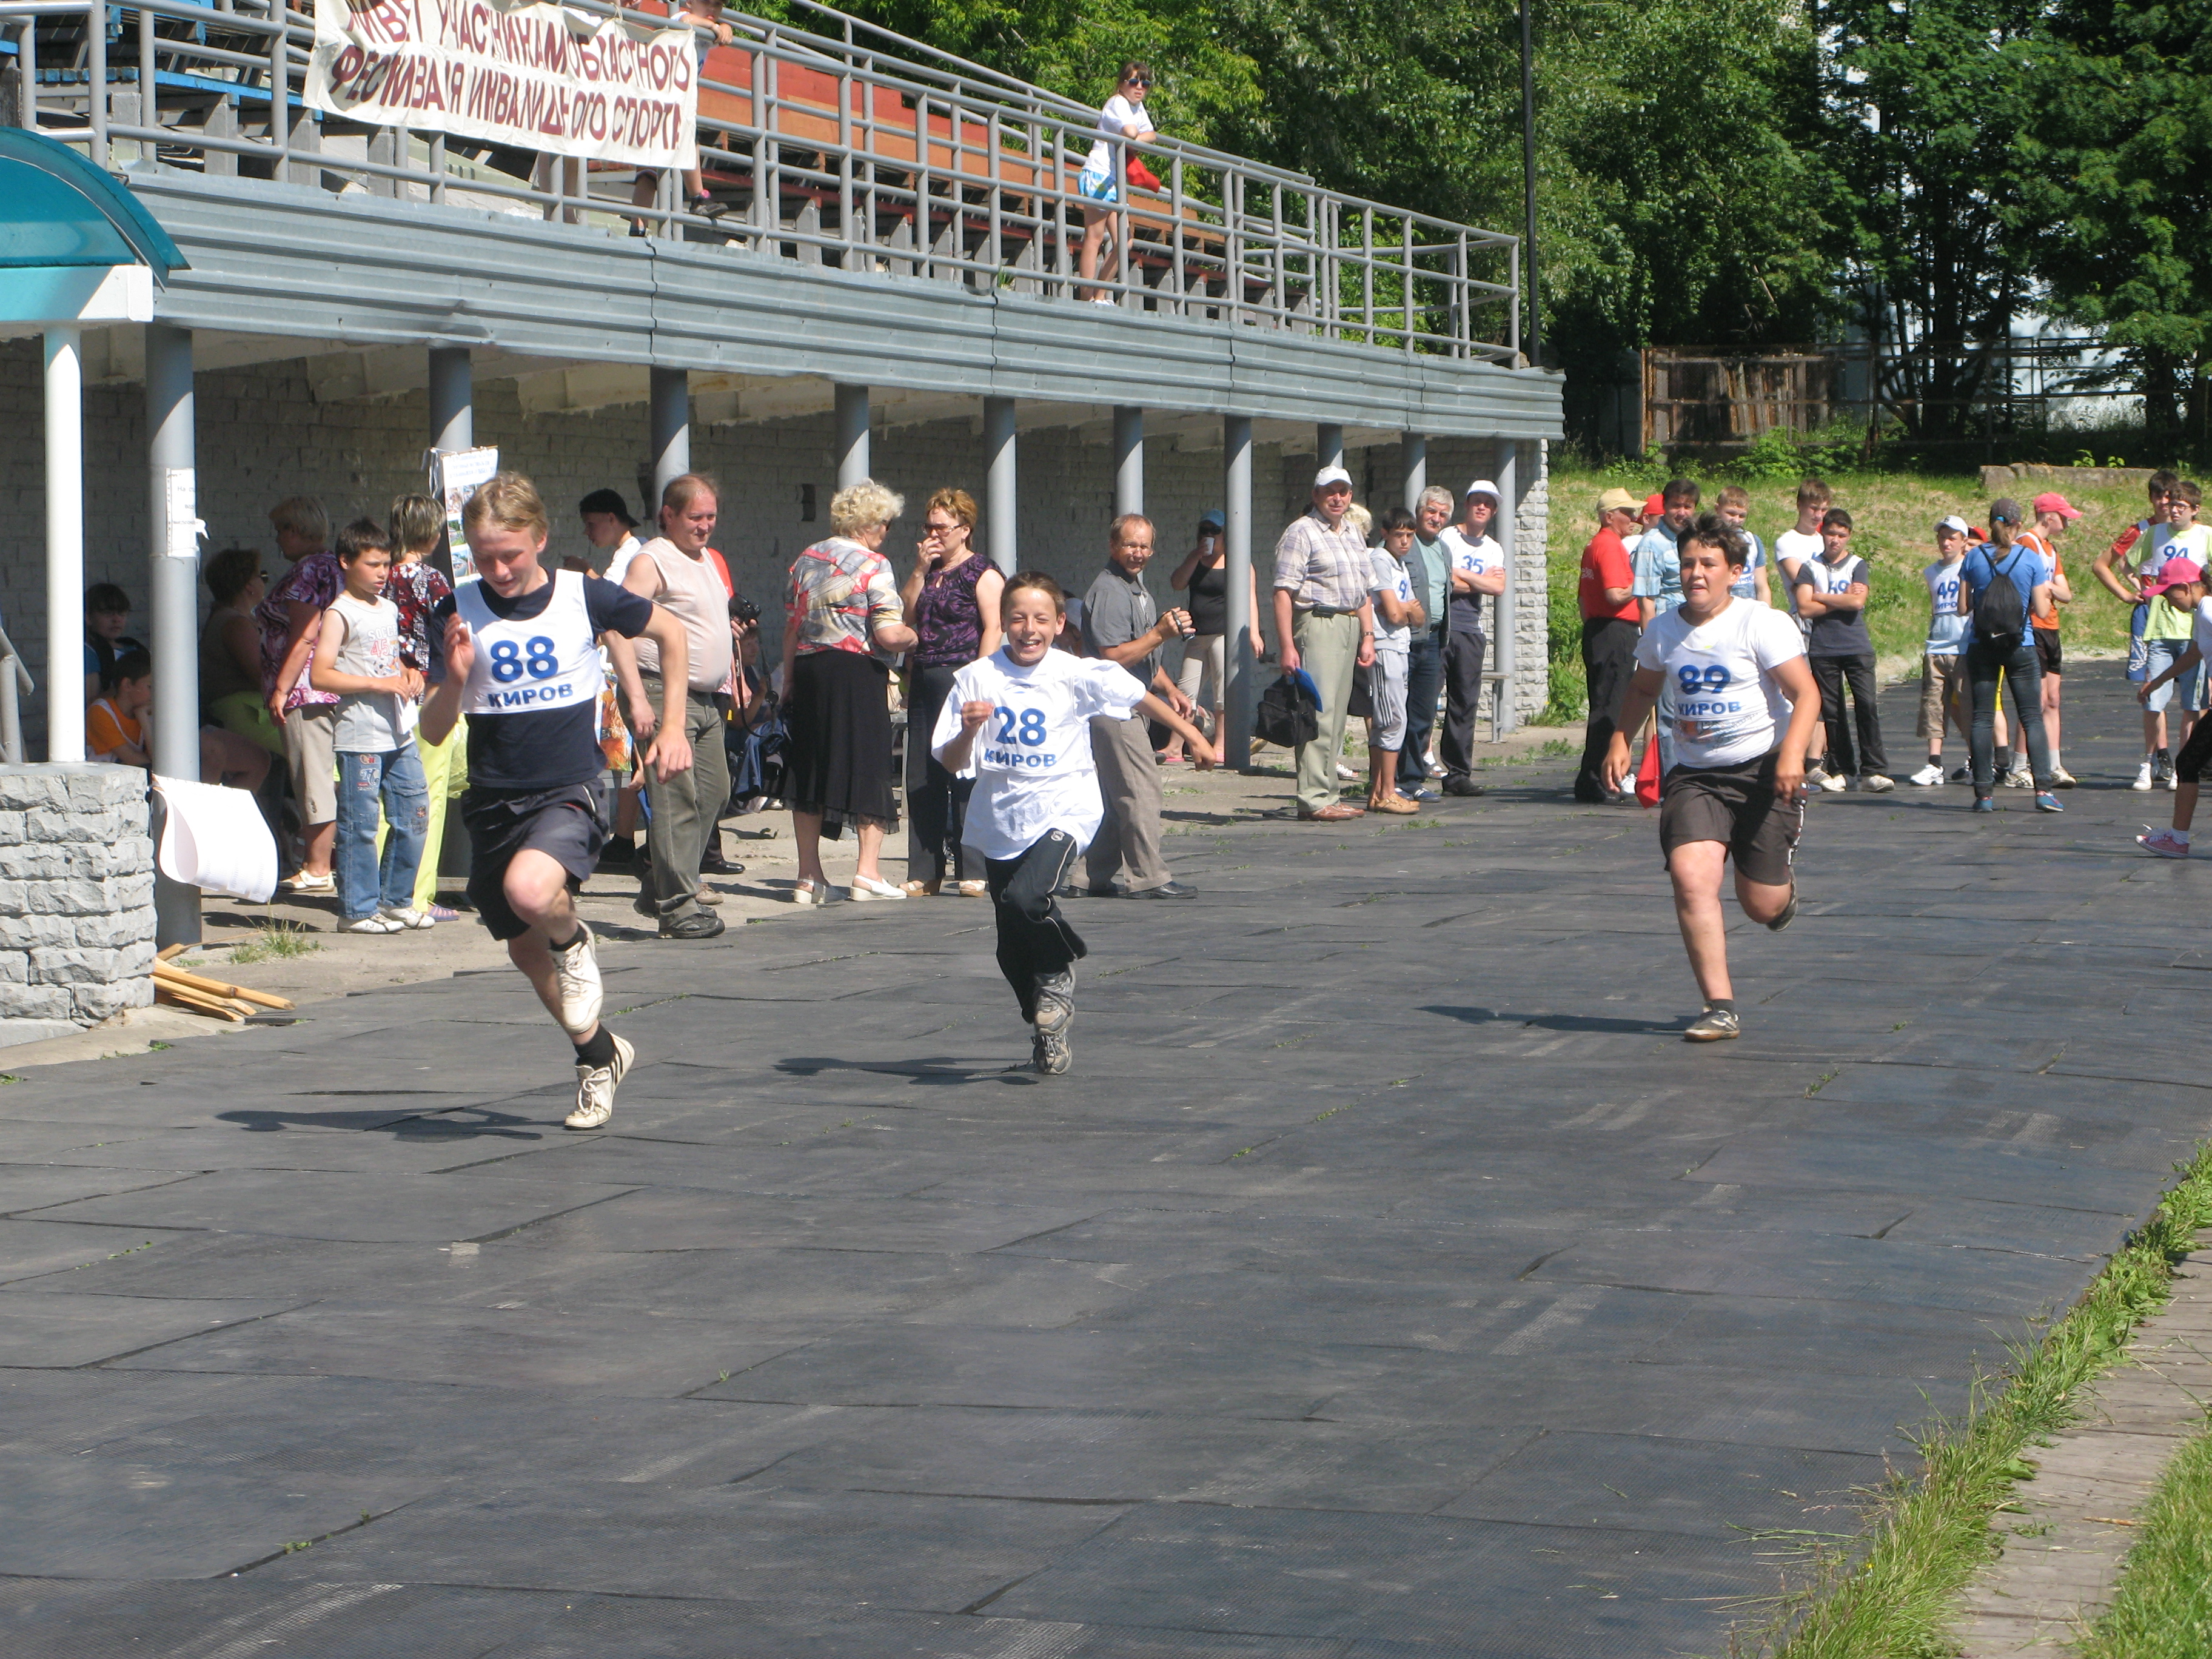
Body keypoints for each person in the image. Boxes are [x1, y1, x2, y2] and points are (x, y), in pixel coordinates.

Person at [421, 471, 694, 1131]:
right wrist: (455, 681)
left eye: (511, 554)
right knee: (521, 945)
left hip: (567, 786)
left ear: (540, 539)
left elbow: (672, 635)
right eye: (485, 557)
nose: (500, 569)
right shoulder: (456, 609)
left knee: (532, 892)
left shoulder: (583, 594)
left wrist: (673, 722)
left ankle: (576, 942)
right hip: (493, 797)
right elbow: (432, 729)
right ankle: (599, 1055)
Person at [932, 571, 1214, 1075]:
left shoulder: (1075, 672)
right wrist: (971, 730)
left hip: (1065, 807)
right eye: (1017, 618)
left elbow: (1135, 695)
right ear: (1003, 622)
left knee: (1027, 898)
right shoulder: (976, 678)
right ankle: (1046, 1026)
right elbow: (951, 763)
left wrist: (1190, 733)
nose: (1029, 629)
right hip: (1001, 817)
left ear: (1060, 623)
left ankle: (1060, 974)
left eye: (1041, 618)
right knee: (1008, 947)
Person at [1602, 516, 1819, 1043]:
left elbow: (1807, 695)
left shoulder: (1760, 623)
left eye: (1708, 564)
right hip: (1696, 774)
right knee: (1691, 874)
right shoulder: (1663, 630)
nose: (1695, 573)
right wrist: (1619, 739)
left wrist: (1793, 755)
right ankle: (1719, 1007)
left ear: (1736, 572)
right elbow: (1643, 689)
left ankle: (1781, 889)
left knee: (1761, 906)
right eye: (1689, 563)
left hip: (1764, 769)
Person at [783, 480, 920, 905]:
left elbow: (793, 626)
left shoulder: (805, 559)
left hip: (808, 671)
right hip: (855, 673)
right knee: (868, 764)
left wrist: (788, 679)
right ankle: (867, 873)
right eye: (885, 523)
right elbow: (888, 632)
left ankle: (809, 877)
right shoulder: (873, 564)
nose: (887, 531)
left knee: (810, 768)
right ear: (869, 522)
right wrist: (918, 637)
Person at [620, 475, 737, 940]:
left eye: (711, 517)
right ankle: (678, 907)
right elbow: (616, 627)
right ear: (667, 515)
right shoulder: (652, 560)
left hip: (706, 699)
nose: (705, 526)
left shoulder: (705, 558)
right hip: (661, 693)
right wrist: (633, 698)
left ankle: (658, 884)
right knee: (675, 800)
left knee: (715, 793)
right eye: (695, 517)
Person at [310, 521, 432, 934]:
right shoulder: (339, 613)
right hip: (360, 733)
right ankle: (357, 910)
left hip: (398, 730)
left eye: (386, 564)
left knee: (414, 812)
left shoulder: (389, 609)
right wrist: (377, 684)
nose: (382, 573)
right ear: (347, 563)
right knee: (360, 823)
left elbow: (388, 660)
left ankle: (396, 900)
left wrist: (408, 674)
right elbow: (321, 675)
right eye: (373, 565)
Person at [1080, 514, 1204, 897]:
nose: (1138, 553)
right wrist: (1160, 633)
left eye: (1145, 546)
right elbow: (1113, 656)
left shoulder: (1137, 590)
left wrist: (1169, 688)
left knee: (1121, 795)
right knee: (1141, 790)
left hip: (1136, 702)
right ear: (1113, 546)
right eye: (1130, 545)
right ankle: (1149, 877)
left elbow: (1144, 656)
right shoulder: (1110, 592)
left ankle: (1088, 877)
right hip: (1115, 708)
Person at [899, 487, 1003, 896]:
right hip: (926, 672)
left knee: (965, 771)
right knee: (922, 773)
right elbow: (906, 616)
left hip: (964, 672)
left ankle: (972, 866)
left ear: (965, 528)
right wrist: (919, 571)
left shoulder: (982, 571)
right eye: (928, 527)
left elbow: (993, 626)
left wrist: (980, 678)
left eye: (941, 527)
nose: (933, 535)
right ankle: (925, 869)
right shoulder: (928, 572)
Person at [1271, 464, 1377, 821]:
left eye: (1344, 491)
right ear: (1316, 495)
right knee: (1318, 711)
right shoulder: (1301, 532)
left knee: (1338, 716)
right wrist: (1287, 645)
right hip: (1318, 623)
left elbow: (1364, 591)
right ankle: (1314, 797)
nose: (1338, 498)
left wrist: (1368, 636)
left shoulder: (1352, 533)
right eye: (1330, 491)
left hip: (1349, 624)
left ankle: (1330, 792)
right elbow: (1283, 592)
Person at [2097, 478, 2209, 791]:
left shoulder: (2205, 535)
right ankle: (2149, 761)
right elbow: (2125, 563)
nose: (2172, 510)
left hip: (2192, 629)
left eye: (2180, 506)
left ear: (2195, 510)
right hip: (2159, 628)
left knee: (2192, 704)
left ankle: (2182, 766)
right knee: (2152, 699)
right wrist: (2135, 591)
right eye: (2170, 504)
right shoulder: (2153, 533)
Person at [256, 495, 341, 891]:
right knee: (322, 774)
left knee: (312, 775)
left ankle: (318, 865)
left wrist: (281, 688)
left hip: (305, 690)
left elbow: (305, 634)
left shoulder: (308, 571)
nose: (278, 541)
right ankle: (321, 860)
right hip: (327, 687)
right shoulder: (334, 566)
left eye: (280, 531)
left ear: (296, 530)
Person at [1957, 498, 2062, 815]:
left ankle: (1984, 795)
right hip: (2021, 644)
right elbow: (2043, 610)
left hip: (1983, 645)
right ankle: (2043, 790)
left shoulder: (1974, 557)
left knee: (1982, 718)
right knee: (2031, 717)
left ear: (1990, 524)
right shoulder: (2029, 559)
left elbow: (1964, 608)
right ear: (2018, 524)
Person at [387, 495, 461, 920]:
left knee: (387, 798)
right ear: (430, 532)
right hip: (428, 694)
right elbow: (450, 635)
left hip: (385, 693)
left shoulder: (380, 576)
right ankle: (418, 894)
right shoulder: (433, 581)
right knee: (428, 795)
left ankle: (384, 890)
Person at [1793, 508, 1893, 793]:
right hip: (1824, 648)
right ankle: (1842, 769)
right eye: (1831, 533)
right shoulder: (1809, 567)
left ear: (1848, 537)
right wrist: (1842, 598)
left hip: (1856, 645)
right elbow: (1804, 608)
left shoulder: (1858, 564)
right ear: (1822, 533)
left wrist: (1822, 596)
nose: (1835, 540)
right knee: (1833, 711)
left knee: (1867, 705)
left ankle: (1874, 769)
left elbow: (1858, 603)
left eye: (1841, 535)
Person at [578, 488, 648, 867]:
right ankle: (623, 838)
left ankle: (629, 837)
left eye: (592, 524)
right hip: (618, 670)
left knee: (629, 758)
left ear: (611, 518)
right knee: (625, 761)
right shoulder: (626, 553)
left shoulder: (632, 555)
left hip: (625, 671)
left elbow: (613, 605)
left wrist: (584, 574)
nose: (589, 532)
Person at [2097, 469, 2182, 766]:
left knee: (2191, 691)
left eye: (2169, 497)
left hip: (2185, 615)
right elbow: (2103, 565)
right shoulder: (2140, 531)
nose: (2164, 503)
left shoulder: (2191, 530)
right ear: (2151, 499)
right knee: (2152, 687)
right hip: (2152, 614)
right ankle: (2161, 754)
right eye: (2158, 497)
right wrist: (2126, 593)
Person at [1164, 509, 1261, 764]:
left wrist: (1254, 633)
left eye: (1214, 531)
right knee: (1185, 691)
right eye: (1204, 531)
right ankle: (1175, 746)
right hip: (1197, 635)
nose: (1209, 536)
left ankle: (1222, 745)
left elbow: (1251, 597)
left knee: (1221, 693)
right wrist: (1195, 557)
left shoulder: (1238, 562)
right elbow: (1177, 583)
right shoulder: (1195, 560)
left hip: (1223, 634)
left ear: (1225, 535)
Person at [628, 0, 735, 230]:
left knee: (651, 172)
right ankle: (697, 197)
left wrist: (724, 27)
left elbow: (725, 33)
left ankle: (638, 227)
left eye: (718, 6)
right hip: (655, 100)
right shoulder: (680, 20)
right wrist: (717, 27)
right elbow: (686, 20)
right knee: (662, 158)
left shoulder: (706, 30)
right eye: (707, 2)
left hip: (672, 104)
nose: (712, 10)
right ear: (689, 2)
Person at [2135, 560, 2212, 857]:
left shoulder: (2207, 609)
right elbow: (2194, 654)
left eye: (2169, 594)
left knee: (2190, 762)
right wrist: (2156, 684)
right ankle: (2178, 838)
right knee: (2191, 762)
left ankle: (2178, 840)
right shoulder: (2202, 613)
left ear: (2187, 587)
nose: (2167, 600)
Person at [1437, 480, 1506, 797]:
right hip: (1439, 626)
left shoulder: (1494, 548)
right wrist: (1478, 581)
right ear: (1467, 504)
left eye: (1488, 503)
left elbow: (1498, 588)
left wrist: (1461, 575)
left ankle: (1457, 773)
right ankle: (1409, 770)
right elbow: (1442, 579)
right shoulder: (1446, 536)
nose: (1482, 507)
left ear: (1493, 511)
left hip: (1470, 630)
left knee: (1464, 703)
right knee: (1423, 701)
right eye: (1477, 501)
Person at [1575, 487, 1642, 803]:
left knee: (1604, 704)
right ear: (1609, 516)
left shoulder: (1594, 546)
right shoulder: (1611, 546)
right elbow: (1616, 594)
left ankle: (1594, 778)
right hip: (1615, 632)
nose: (1634, 518)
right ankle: (1597, 780)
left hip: (1599, 630)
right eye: (1627, 513)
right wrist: (1643, 585)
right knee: (1610, 709)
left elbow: (1583, 599)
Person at [1077, 61, 1156, 301]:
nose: (1140, 87)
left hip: (1115, 179)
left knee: (1126, 241)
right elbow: (1133, 133)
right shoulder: (1117, 103)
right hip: (1099, 173)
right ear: (1122, 84)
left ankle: (1099, 295)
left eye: (1145, 83)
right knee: (1095, 237)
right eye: (1134, 82)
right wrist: (1136, 138)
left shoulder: (1137, 106)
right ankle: (1086, 297)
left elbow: (1152, 134)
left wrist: (1137, 138)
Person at [1364, 508, 1424, 814]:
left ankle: (1378, 791)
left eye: (1409, 536)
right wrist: (1404, 609)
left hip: (1402, 645)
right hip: (1386, 645)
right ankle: (1387, 790)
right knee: (1392, 719)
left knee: (1391, 719)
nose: (1404, 541)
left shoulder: (1401, 565)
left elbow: (1420, 615)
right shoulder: (1380, 559)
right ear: (1385, 533)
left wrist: (1405, 609)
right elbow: (1398, 614)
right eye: (1398, 534)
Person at [1397, 487, 1455, 799]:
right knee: (1398, 712)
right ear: (1419, 512)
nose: (1437, 518)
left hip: (1434, 639)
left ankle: (1412, 779)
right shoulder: (1404, 543)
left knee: (1422, 712)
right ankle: (1392, 779)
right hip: (1405, 638)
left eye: (1443, 514)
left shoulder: (1444, 550)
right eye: (1431, 511)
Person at [2018, 492, 2079, 787]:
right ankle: (2020, 765)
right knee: (2035, 700)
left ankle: (2054, 764)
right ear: (2049, 517)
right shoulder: (2027, 542)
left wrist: (2049, 588)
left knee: (2053, 699)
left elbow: (2066, 593)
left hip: (2051, 626)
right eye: (2064, 516)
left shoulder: (2051, 550)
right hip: (2033, 626)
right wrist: (2047, 587)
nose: (2067, 522)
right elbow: (2032, 584)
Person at [1908, 517, 1972, 787]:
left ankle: (1977, 758)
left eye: (1953, 538)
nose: (1946, 543)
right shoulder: (1931, 572)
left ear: (1963, 542)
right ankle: (1934, 763)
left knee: (1967, 706)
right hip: (1937, 645)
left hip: (1964, 646)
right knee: (1934, 706)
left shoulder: (1969, 567)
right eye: (1942, 537)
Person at [1774, 478, 1831, 782]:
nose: (1818, 515)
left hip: (1831, 621)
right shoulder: (1788, 542)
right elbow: (1804, 585)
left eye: (1823, 509)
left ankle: (1817, 760)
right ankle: (1801, 758)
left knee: (1827, 691)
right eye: (1813, 508)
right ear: (1799, 506)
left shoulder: (1828, 539)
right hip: (1803, 622)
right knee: (1805, 691)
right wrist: (1842, 597)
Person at [200, 549, 282, 757]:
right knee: (314, 751)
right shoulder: (236, 624)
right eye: (261, 576)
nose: (265, 581)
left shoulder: (233, 618)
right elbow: (260, 675)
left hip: (250, 708)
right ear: (248, 585)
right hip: (245, 711)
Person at [1631, 479, 1698, 622]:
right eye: (1676, 506)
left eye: (1688, 507)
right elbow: (1647, 602)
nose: (1682, 513)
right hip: (1669, 627)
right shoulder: (1651, 544)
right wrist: (1651, 642)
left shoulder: (1697, 539)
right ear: (1665, 506)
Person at [83, 584, 145, 705]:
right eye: (108, 613)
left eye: (122, 614)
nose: (117, 619)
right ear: (88, 618)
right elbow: (90, 704)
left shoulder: (134, 647)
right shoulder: (89, 652)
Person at [1715, 486, 1772, 604]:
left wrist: (1766, 614)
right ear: (1717, 509)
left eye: (1742, 516)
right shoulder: (1711, 540)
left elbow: (1762, 587)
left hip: (1749, 605)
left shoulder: (1753, 541)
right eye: (1731, 513)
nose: (1736, 520)